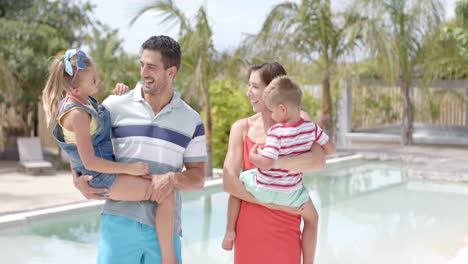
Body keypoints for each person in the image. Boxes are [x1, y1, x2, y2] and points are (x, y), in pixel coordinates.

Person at [69, 36, 207, 264]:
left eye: (151, 67)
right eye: (142, 64)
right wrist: (76, 179)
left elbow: (198, 178)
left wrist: (172, 178)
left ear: (171, 71)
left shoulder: (191, 120)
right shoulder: (113, 106)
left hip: (165, 230)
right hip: (119, 223)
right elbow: (80, 141)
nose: (144, 72)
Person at [41, 48, 179, 264]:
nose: (98, 82)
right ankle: (169, 259)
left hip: (104, 172)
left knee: (163, 190)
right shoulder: (76, 114)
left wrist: (118, 94)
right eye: (93, 80)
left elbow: (75, 150)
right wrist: (130, 168)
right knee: (166, 194)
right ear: (75, 87)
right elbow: (89, 161)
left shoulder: (83, 101)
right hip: (103, 176)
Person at [222, 75, 335, 263]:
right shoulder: (310, 127)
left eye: (255, 86)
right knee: (313, 217)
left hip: (269, 198)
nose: (249, 91)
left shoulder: (277, 131)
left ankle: (229, 230)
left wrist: (255, 157)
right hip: (291, 195)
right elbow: (329, 151)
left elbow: (316, 162)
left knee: (241, 179)